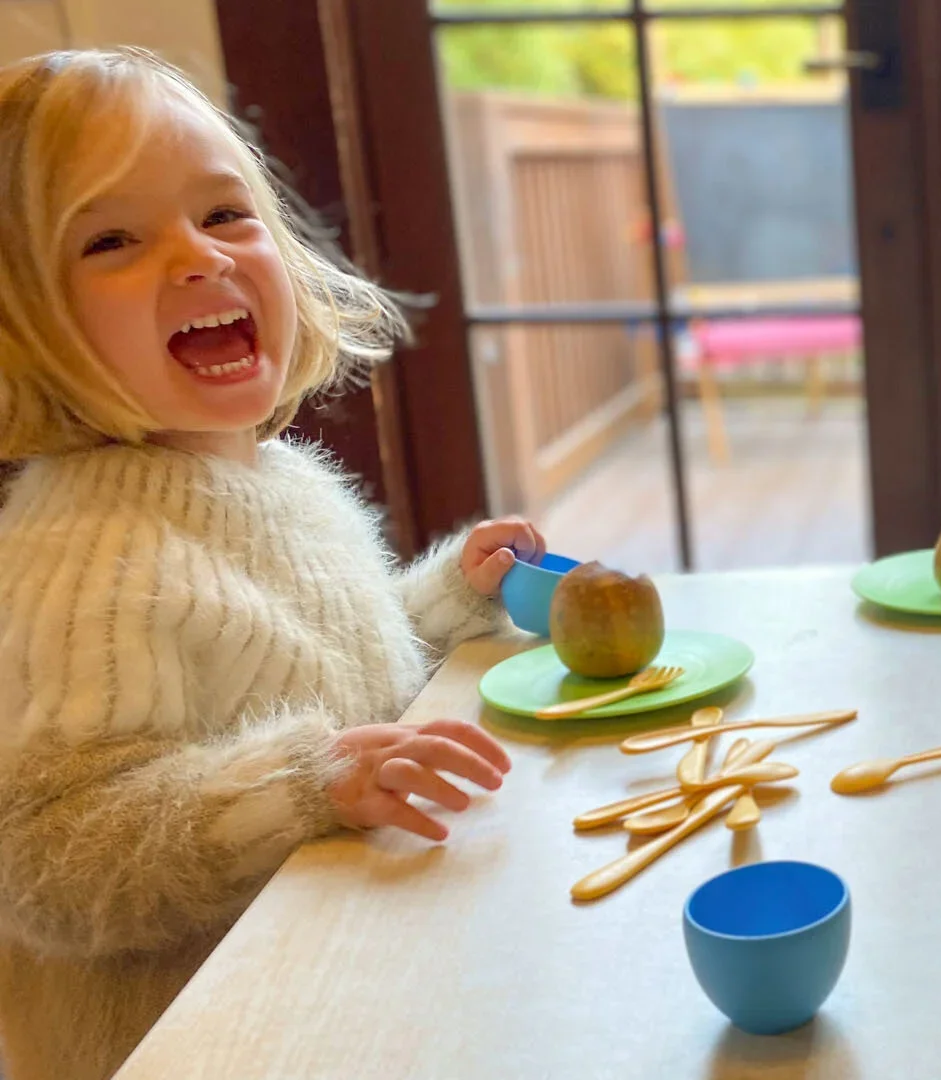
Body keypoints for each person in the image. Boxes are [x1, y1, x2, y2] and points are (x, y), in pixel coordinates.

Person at [0, 48, 540, 1080]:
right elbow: (47, 862)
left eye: (223, 215)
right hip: (194, 1041)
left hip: (331, 982)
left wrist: (446, 600)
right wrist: (306, 784)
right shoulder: (82, 554)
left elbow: (321, 668)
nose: (196, 258)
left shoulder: (276, 478)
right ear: (23, 320)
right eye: (110, 239)